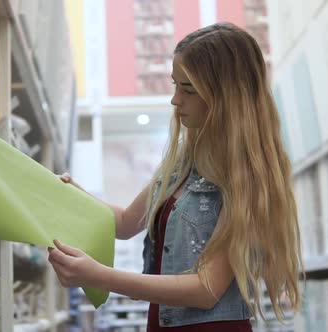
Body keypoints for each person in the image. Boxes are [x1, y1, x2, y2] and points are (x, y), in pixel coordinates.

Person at [48, 22, 302, 331]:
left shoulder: (246, 175)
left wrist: (97, 275)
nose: (175, 99)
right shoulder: (183, 163)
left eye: (188, 89)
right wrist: (71, 195)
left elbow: (207, 289)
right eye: (175, 85)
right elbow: (127, 222)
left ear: (225, 97)